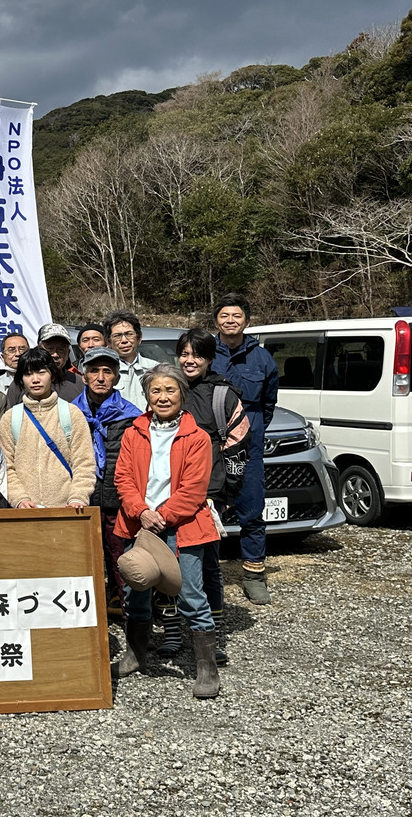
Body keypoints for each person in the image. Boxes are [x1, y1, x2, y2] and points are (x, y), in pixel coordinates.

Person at [112, 364, 221, 699]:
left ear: (182, 394)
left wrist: (162, 515)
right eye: (155, 390)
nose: (162, 397)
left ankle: (207, 669)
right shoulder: (134, 432)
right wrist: (142, 512)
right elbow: (123, 478)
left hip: (183, 526)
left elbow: (194, 489)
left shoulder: (197, 437)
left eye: (170, 390)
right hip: (139, 523)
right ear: (147, 395)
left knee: (190, 593)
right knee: (136, 590)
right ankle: (135, 655)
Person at [177, 327, 251, 664]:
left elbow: (239, 444)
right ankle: (175, 632)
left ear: (209, 358)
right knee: (170, 561)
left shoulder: (223, 395)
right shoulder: (169, 387)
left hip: (209, 493)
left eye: (197, 355)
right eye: (184, 354)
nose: (190, 361)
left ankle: (212, 634)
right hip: (170, 491)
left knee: (208, 565)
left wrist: (227, 492)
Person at [210, 293, 279, 605]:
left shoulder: (262, 358)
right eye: (224, 315)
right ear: (216, 321)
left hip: (249, 447)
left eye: (236, 315)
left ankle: (253, 576)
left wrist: (250, 429)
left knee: (252, 509)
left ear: (247, 321)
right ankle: (208, 575)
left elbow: (268, 403)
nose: (230, 321)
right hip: (212, 445)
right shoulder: (206, 352)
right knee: (207, 508)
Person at [73, 347, 142, 615]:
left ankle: (125, 606)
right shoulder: (70, 413)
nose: (100, 377)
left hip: (117, 496)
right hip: (82, 496)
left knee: (120, 553)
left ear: (116, 377)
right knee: (84, 555)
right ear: (84, 375)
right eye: (94, 371)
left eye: (107, 371)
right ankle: (86, 609)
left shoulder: (132, 416)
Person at [0, 347, 96, 509]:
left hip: (67, 510)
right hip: (24, 512)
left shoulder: (71, 414)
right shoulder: (10, 418)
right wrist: (19, 499)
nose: (35, 379)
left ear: (52, 375)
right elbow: (5, 466)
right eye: (28, 374)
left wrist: (78, 497)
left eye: (41, 372)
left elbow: (84, 463)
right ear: (21, 379)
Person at [104, 310, 159, 411]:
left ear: (139, 337)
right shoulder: (104, 372)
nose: (124, 340)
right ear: (108, 341)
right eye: (117, 336)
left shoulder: (156, 369)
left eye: (129, 334)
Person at [23, 323, 84, 404]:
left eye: (61, 349)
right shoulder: (23, 383)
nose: (55, 355)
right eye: (50, 349)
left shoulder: (79, 383)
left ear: (68, 353)